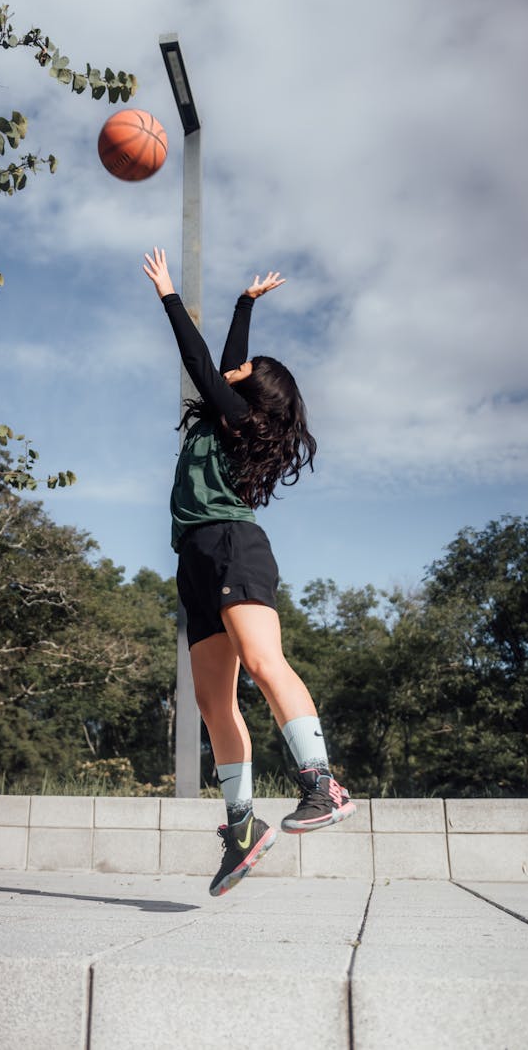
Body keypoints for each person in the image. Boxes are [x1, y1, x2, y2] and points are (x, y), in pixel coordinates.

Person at [143, 247, 355, 897]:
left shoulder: (235, 418)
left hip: (236, 547)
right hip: (196, 559)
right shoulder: (222, 417)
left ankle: (322, 782)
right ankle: (242, 825)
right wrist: (245, 304)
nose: (236, 367)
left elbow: (205, 364)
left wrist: (168, 295)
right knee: (212, 700)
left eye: (246, 370)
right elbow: (225, 364)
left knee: (264, 663)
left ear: (249, 393)